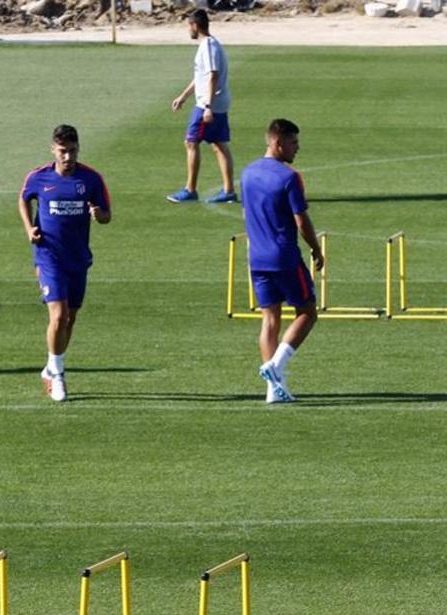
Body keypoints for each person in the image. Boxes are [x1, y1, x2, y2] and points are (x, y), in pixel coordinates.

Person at [18, 124, 112, 402]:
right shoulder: (39, 177)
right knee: (58, 316)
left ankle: (49, 367)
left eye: (72, 151)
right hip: (48, 257)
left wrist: (99, 215)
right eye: (62, 151)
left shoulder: (92, 179)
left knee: (69, 319)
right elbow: (23, 200)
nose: (68, 157)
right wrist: (28, 228)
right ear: (53, 150)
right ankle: (58, 375)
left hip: (78, 258)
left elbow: (108, 215)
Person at [241, 119, 324, 403]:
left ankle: (273, 391)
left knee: (270, 319)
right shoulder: (289, 177)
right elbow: (302, 221)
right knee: (307, 312)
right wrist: (316, 248)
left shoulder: (248, 174)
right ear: (278, 143)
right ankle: (275, 366)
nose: (297, 149)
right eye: (293, 143)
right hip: (284, 257)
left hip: (256, 258)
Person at [168, 8, 235, 204]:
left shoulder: (208, 46)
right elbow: (201, 77)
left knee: (191, 142)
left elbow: (213, 75)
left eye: (189, 25)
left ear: (195, 25)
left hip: (209, 103)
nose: (188, 29)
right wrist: (183, 96)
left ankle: (190, 189)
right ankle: (229, 191)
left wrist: (207, 106)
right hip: (214, 102)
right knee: (218, 145)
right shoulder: (209, 45)